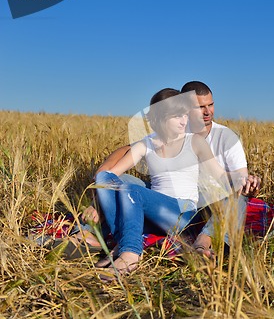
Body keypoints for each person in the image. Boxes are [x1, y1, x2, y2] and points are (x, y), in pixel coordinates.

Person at [82, 81, 261, 257]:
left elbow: (232, 178)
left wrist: (247, 182)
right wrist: (99, 190)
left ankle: (205, 241)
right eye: (200, 107)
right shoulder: (172, 129)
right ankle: (84, 234)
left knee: (236, 197)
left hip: (205, 201)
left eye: (211, 105)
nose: (207, 112)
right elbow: (126, 152)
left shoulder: (223, 138)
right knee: (123, 182)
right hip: (162, 198)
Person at [94, 88, 237, 280]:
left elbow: (220, 174)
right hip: (153, 215)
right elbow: (111, 174)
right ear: (161, 118)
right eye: (177, 116)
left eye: (185, 115)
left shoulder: (194, 141)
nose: (184, 121)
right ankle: (124, 240)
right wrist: (96, 200)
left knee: (132, 190)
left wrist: (242, 179)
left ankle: (130, 254)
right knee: (104, 178)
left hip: (182, 214)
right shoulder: (146, 144)